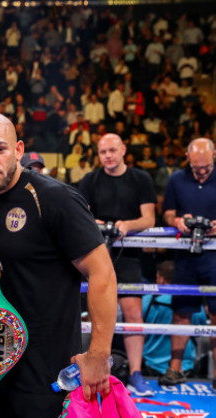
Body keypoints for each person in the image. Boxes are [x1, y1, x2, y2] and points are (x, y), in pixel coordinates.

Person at [0, 112, 116, 418]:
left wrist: (99, 355)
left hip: (49, 370)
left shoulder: (54, 198)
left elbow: (102, 273)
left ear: (18, 149)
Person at [78, 133, 157, 397]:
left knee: (133, 313)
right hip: (96, 253)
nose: (108, 156)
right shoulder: (90, 180)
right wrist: (98, 224)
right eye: (103, 152)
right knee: (93, 315)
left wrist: (126, 225)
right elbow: (81, 213)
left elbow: (149, 218)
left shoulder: (141, 179)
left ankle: (136, 373)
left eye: (112, 150)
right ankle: (95, 369)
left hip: (129, 255)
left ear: (123, 150)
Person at [160, 138, 216, 389]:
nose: (202, 172)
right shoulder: (176, 179)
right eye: (196, 167)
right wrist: (178, 221)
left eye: (206, 167)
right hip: (186, 255)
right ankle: (175, 369)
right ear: (187, 157)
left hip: (215, 256)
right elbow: (168, 212)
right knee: (181, 311)